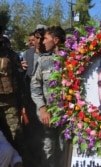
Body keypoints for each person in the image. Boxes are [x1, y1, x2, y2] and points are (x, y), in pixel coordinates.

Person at [31, 26, 66, 167]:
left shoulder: (74, 60)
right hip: (48, 116)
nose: (43, 42)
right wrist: (42, 108)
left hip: (67, 117)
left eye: (46, 38)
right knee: (48, 151)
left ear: (56, 40)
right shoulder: (43, 60)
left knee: (66, 151)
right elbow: (35, 86)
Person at [21, 26, 48, 167]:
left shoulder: (49, 55)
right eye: (36, 38)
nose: (38, 41)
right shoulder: (27, 54)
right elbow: (24, 78)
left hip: (46, 102)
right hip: (30, 102)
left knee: (46, 137)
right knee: (32, 135)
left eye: (41, 38)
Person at [0, 25, 25, 160]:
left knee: (16, 135)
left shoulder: (10, 54)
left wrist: (23, 103)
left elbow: (20, 77)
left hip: (10, 103)